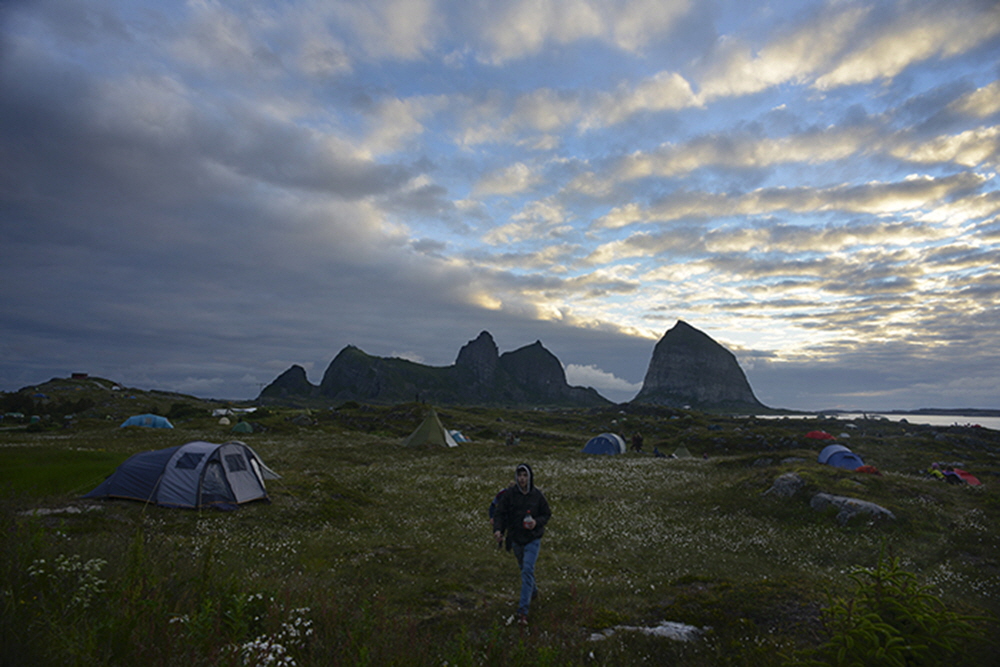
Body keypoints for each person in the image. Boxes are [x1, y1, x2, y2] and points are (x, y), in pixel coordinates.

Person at [493, 463, 551, 626]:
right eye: (519, 475)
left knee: (527, 569)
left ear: (530, 477)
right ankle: (533, 591)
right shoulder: (510, 495)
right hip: (516, 539)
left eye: (525, 475)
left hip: (533, 538)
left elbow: (546, 514)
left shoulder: (537, 495)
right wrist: (498, 530)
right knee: (523, 569)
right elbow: (500, 513)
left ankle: (522, 612)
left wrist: (536, 522)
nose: (522, 479)